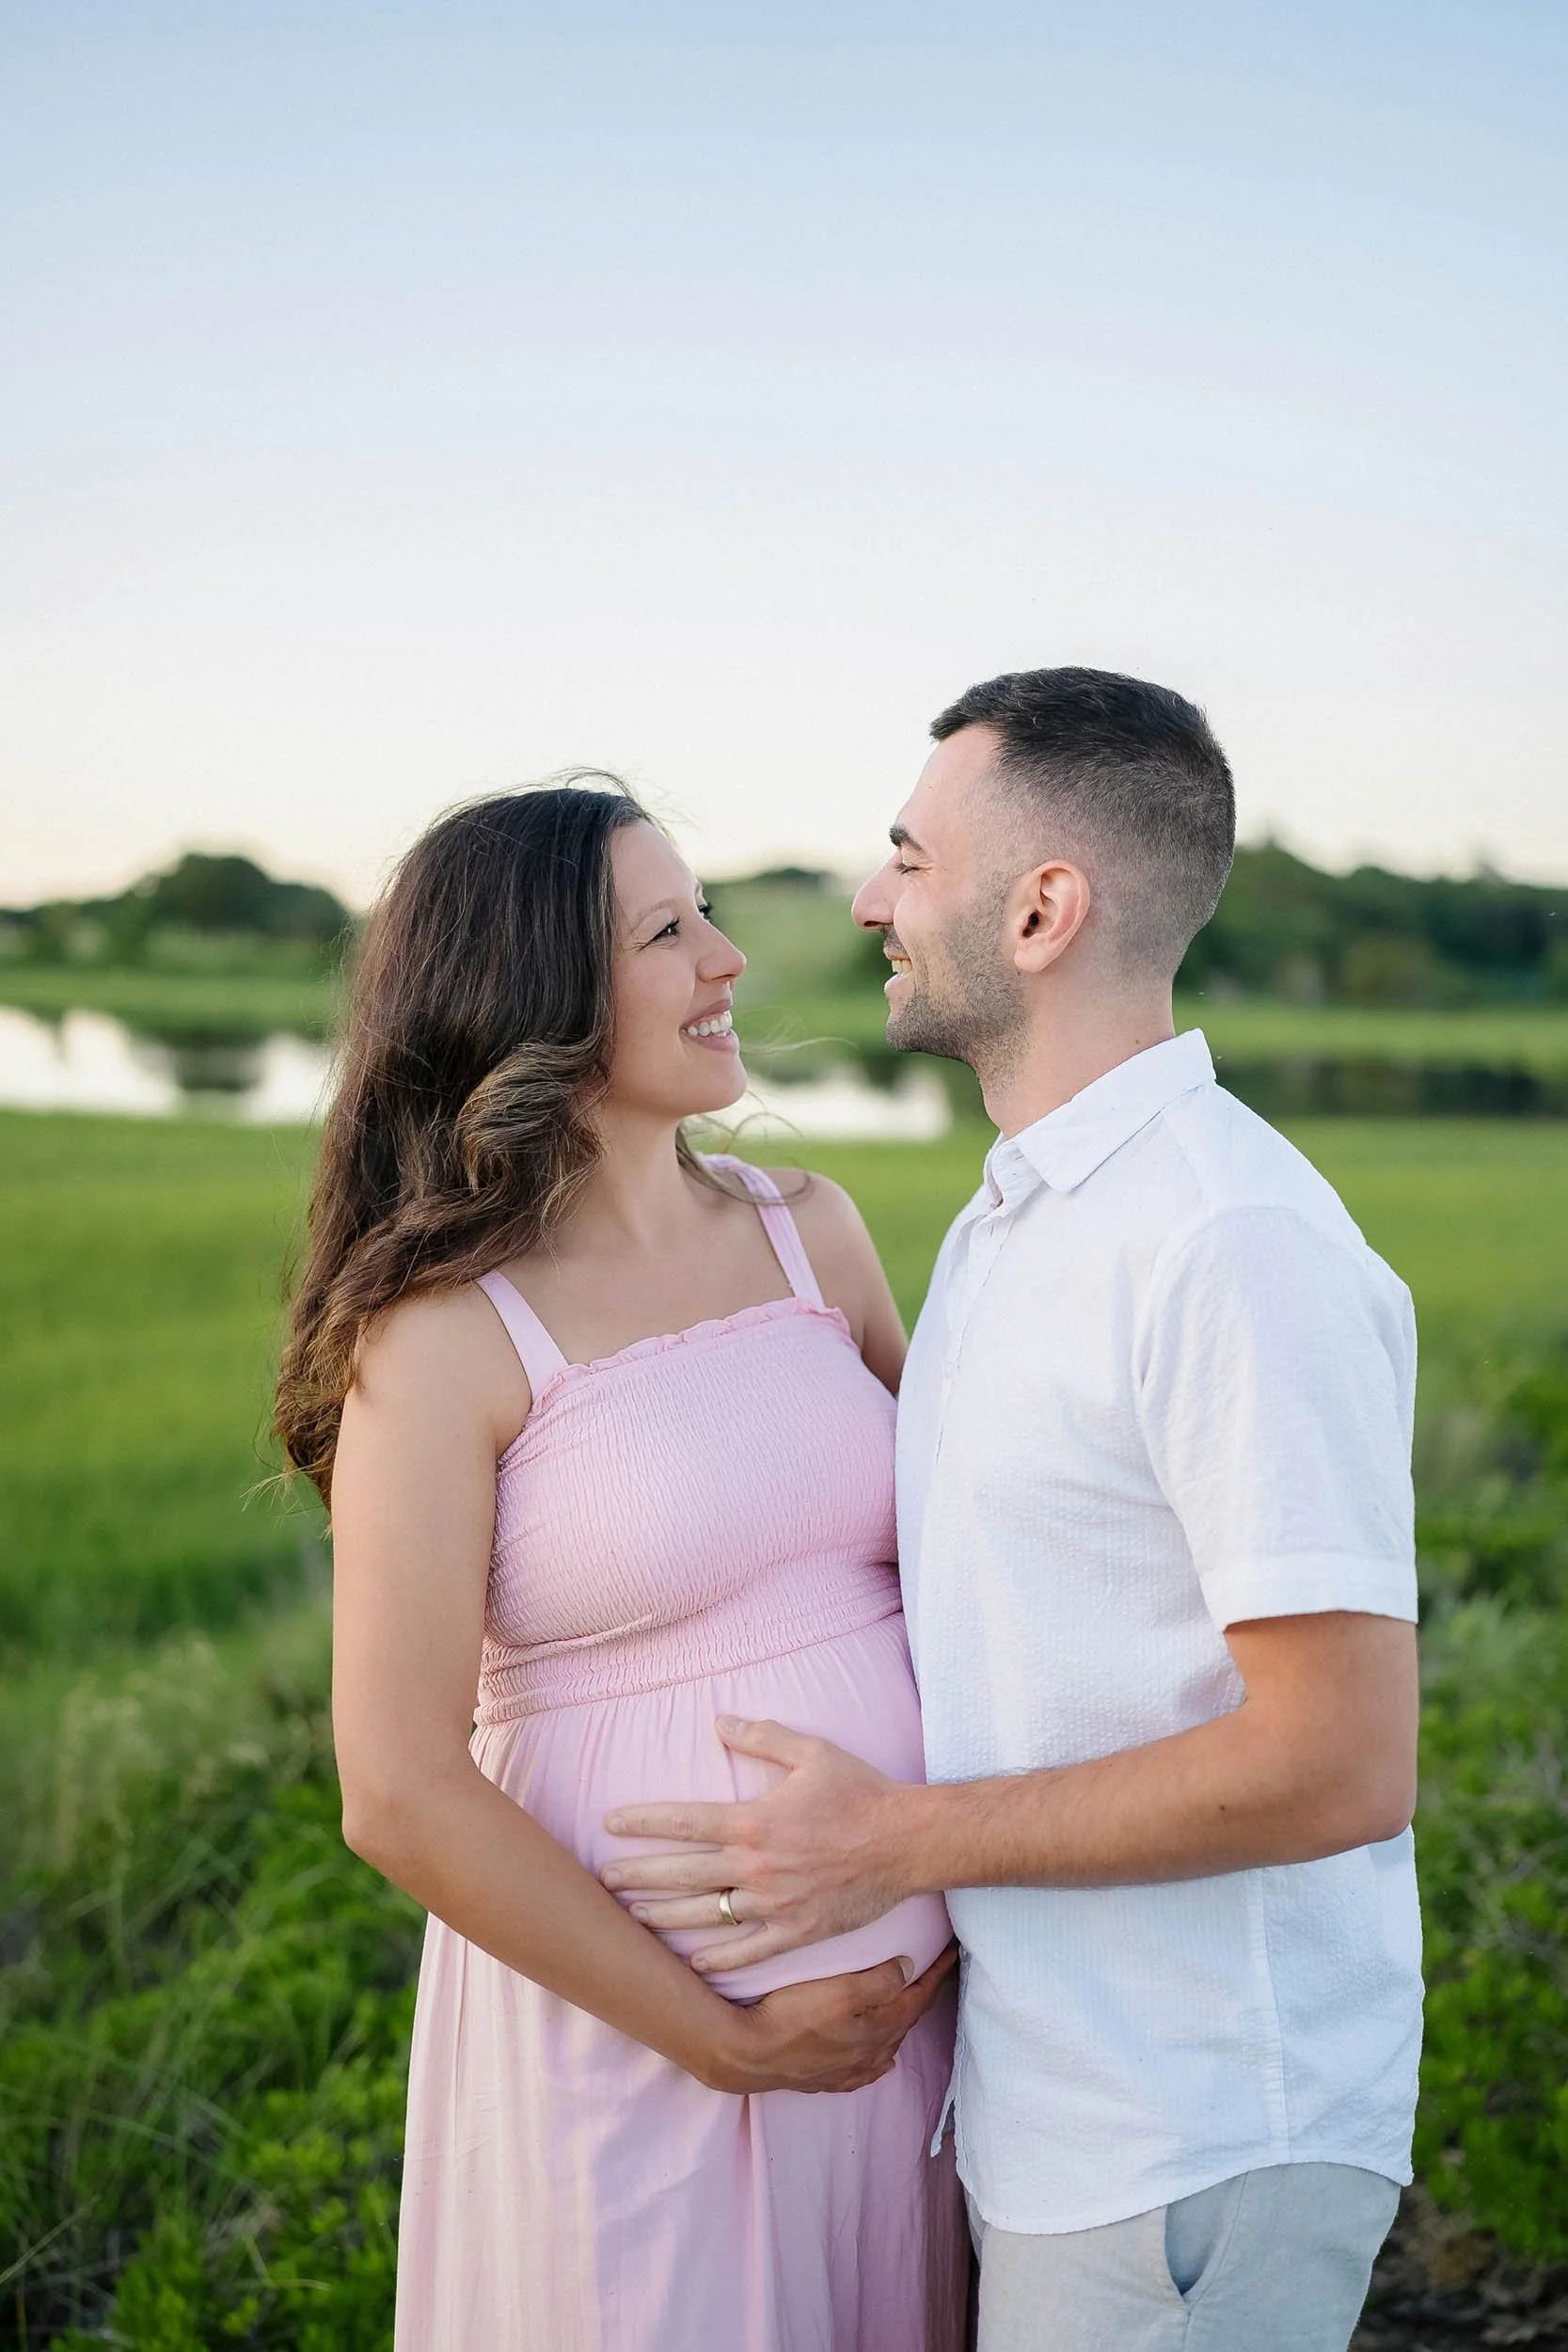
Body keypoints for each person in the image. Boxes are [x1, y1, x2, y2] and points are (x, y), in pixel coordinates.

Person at [603, 671, 1424, 2352]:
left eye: (910, 855)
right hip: (1051, 2110)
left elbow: (1338, 1758)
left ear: (1043, 909)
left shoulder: (1227, 1242)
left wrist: (890, 1845)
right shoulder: (1013, 1221)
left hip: (1194, 2137)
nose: (866, 900)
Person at [274, 780, 968, 2352]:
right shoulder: (446, 1333)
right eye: (668, 931)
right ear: (535, 1002)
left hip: (905, 2040)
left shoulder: (813, 1230)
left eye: (704, 911)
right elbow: (395, 1787)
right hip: (639, 2055)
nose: (727, 960)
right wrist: (726, 2039)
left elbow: (959, 1570)